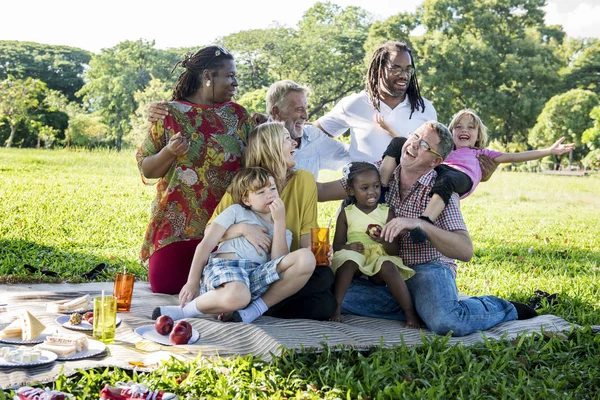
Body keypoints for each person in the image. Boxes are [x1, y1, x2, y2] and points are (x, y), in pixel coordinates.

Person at [341, 121, 537, 337]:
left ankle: (503, 307)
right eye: (414, 136)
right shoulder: (382, 174)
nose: (413, 145)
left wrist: (420, 224)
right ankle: (419, 307)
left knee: (447, 321)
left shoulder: (442, 190)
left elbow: (465, 251)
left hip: (426, 268)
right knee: (337, 294)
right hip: (383, 270)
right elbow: (336, 188)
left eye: (424, 144)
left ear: (436, 160)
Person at [136, 45, 253, 294]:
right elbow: (147, 168)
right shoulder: (169, 114)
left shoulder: (239, 116)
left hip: (227, 232)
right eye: (230, 76)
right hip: (176, 230)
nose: (235, 82)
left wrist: (264, 121)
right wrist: (169, 152)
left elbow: (256, 163)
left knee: (223, 289)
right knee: (166, 286)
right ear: (208, 76)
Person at [377, 109, 575, 242]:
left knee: (447, 179)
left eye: (470, 127)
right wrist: (388, 128)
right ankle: (382, 192)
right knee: (399, 144)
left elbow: (515, 157)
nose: (464, 130)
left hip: (461, 179)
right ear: (451, 133)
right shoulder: (444, 153)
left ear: (478, 135)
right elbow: (413, 143)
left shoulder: (482, 154)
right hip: (441, 173)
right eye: (459, 127)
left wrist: (549, 151)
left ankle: (425, 223)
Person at [152, 167, 315, 323]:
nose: (269, 195)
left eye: (272, 189)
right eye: (261, 192)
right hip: (226, 268)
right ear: (246, 199)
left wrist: (280, 221)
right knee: (239, 295)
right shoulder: (236, 211)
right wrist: (192, 282)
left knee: (307, 258)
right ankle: (186, 310)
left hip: (255, 276)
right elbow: (206, 244)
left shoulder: (283, 231)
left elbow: (277, 262)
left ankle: (254, 310)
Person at [209, 122, 337, 320]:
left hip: (286, 267)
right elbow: (211, 231)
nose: (294, 142)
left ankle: (254, 305)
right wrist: (242, 229)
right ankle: (257, 302)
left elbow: (307, 234)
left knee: (325, 289)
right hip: (249, 270)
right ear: (271, 148)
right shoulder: (247, 182)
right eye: (287, 139)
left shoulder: (304, 179)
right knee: (320, 297)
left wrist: (319, 255)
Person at [314, 41, 437, 164]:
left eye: (408, 70)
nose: (404, 76)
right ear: (379, 69)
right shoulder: (355, 103)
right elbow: (312, 133)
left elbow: (434, 153)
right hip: (360, 182)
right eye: (396, 69)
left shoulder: (424, 108)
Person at [330, 162, 418, 327]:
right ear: (350, 191)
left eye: (376, 186)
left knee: (388, 266)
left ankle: (409, 312)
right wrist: (349, 247)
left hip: (377, 256)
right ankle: (336, 306)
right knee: (349, 261)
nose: (372, 192)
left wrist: (383, 241)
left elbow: (393, 251)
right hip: (355, 256)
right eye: (364, 188)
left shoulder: (386, 212)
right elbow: (337, 246)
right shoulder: (346, 214)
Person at [265, 80, 351, 180]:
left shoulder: (312, 135)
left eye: (306, 109)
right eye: (299, 109)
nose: (306, 116)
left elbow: (350, 155)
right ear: (276, 112)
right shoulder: (257, 142)